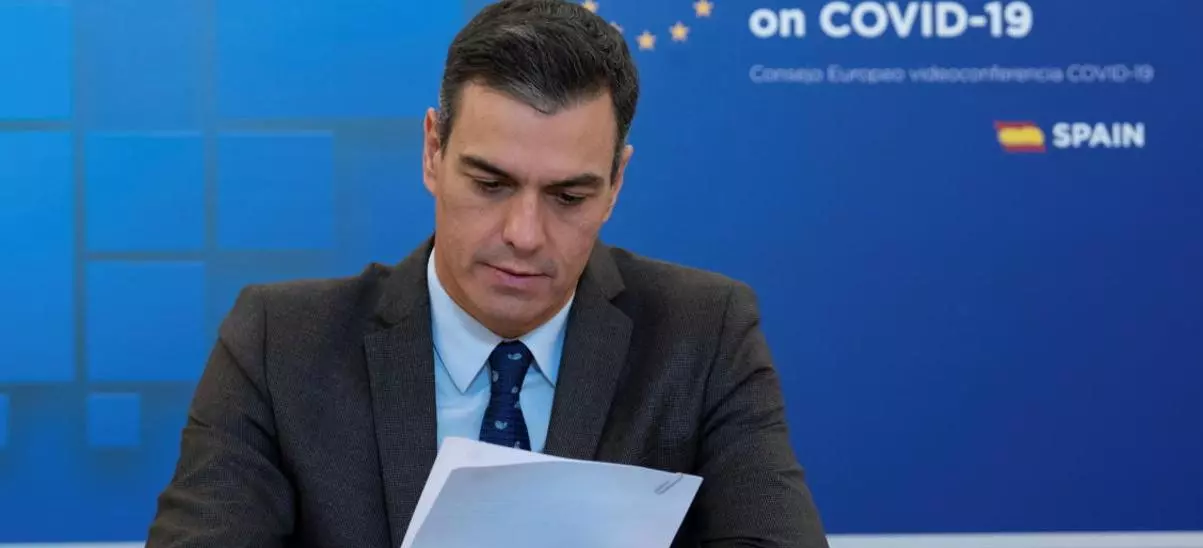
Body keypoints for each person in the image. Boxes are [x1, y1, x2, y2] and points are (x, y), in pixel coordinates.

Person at [146, 0, 827, 546]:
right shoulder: (281, 344)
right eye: (491, 184)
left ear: (616, 183)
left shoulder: (704, 335)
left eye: (569, 196)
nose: (524, 235)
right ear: (432, 151)